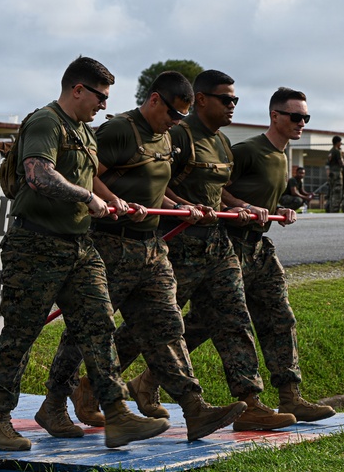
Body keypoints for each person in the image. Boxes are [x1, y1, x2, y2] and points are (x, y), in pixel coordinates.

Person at [0, 57, 169, 452]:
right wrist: (87, 197)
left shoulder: (83, 130)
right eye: (100, 96)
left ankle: (115, 413)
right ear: (77, 89)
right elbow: (38, 174)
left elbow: (89, 175)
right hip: (35, 245)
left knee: (98, 328)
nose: (103, 105)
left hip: (79, 246)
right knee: (21, 335)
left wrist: (111, 199)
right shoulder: (46, 122)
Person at [43, 72, 246, 442]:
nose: (176, 122)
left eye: (182, 117)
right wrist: (113, 201)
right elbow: (86, 176)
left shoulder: (166, 135)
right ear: (154, 100)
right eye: (172, 114)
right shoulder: (120, 130)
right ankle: (54, 404)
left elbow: (156, 187)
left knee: (167, 327)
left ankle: (194, 408)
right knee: (85, 332)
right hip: (109, 244)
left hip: (150, 247)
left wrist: (183, 207)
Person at [110, 69, 296, 433]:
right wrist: (183, 205)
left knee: (233, 318)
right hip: (178, 245)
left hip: (216, 244)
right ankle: (92, 385)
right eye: (226, 99)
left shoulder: (223, 143)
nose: (232, 106)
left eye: (235, 100)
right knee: (151, 326)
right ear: (203, 99)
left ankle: (250, 402)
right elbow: (156, 180)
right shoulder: (178, 134)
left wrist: (238, 204)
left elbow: (221, 190)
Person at [204, 87, 336, 422]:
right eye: (295, 116)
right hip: (228, 246)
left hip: (258, 246)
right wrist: (243, 207)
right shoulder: (248, 150)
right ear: (274, 116)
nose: (301, 123)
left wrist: (280, 210)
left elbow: (260, 196)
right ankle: (143, 383)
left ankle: (290, 396)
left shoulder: (282, 155)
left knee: (280, 317)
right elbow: (213, 191)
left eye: (306, 117)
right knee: (206, 324)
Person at [326, 137, 344, 213]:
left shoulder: (330, 151)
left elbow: (328, 164)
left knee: (331, 192)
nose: (341, 144)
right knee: (337, 193)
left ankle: (329, 208)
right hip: (337, 174)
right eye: (340, 142)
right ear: (337, 142)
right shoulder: (337, 151)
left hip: (331, 174)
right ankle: (334, 209)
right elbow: (341, 163)